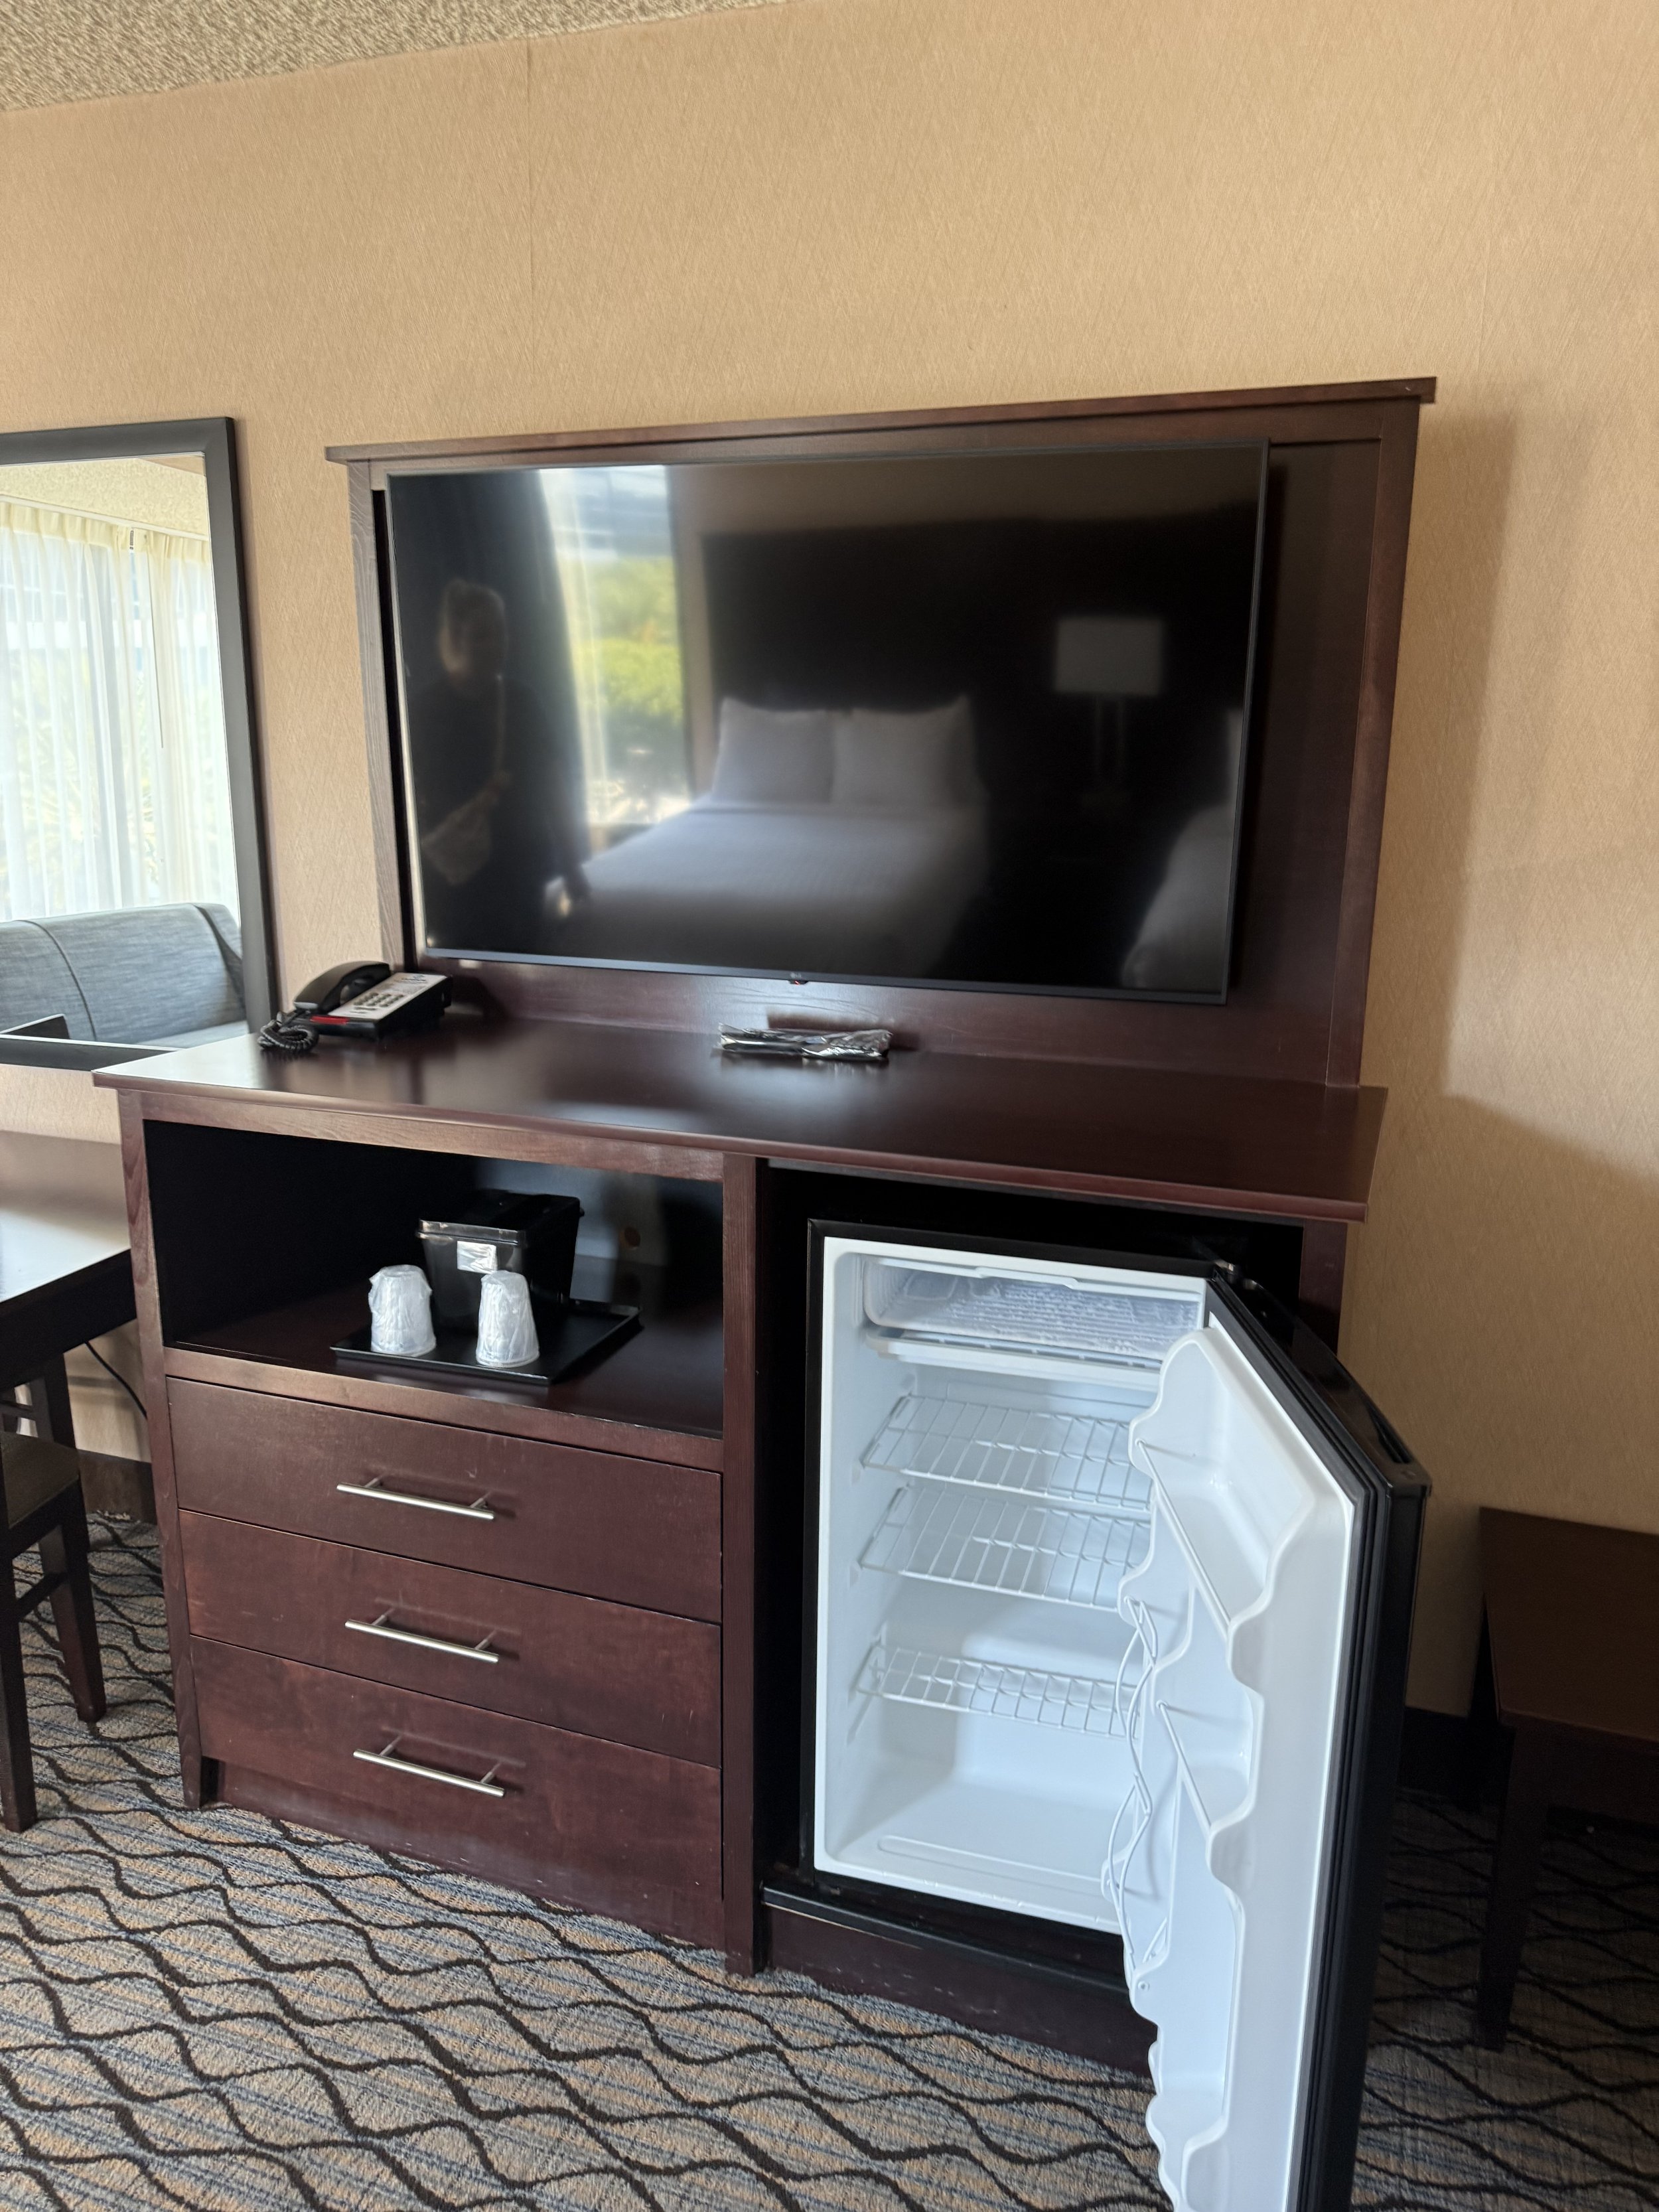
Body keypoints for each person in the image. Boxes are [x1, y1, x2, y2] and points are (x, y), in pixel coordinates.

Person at [405, 579, 589, 952]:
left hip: (519, 868)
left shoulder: (523, 703)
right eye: (482, 635)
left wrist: (572, 863)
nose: (496, 645)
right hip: (452, 876)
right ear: (455, 640)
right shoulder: (422, 711)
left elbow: (554, 785)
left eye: (501, 632)